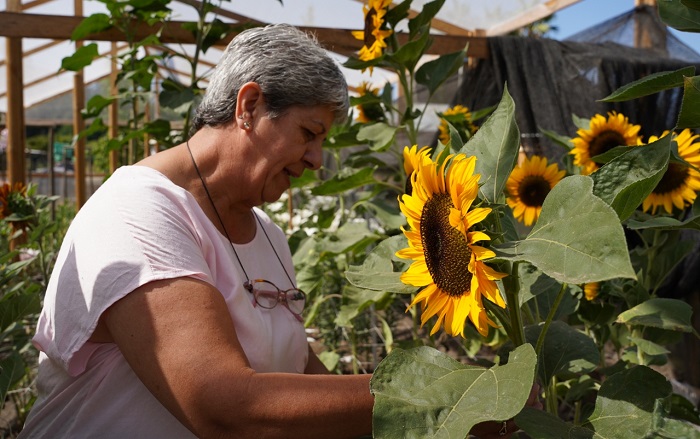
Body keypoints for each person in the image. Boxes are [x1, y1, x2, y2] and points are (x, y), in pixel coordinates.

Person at [18, 24, 537, 438]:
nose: (316, 159)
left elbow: (301, 373)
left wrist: (459, 416)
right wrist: (445, 394)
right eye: (309, 133)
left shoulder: (266, 232)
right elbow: (224, 407)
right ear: (248, 107)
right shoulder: (138, 211)